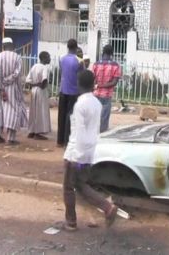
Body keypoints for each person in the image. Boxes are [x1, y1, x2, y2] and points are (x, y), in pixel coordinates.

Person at [62, 70, 119, 231]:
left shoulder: (80, 104)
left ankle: (71, 222)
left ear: (79, 84)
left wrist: (76, 158)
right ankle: (107, 208)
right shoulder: (97, 103)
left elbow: (79, 132)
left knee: (68, 188)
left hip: (76, 153)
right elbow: (93, 130)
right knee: (81, 186)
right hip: (89, 152)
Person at [0, 38, 27, 145]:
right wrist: (8, 81)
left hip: (0, 88)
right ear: (12, 46)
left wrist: (2, 84)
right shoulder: (17, 57)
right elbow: (17, 73)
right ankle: (10, 138)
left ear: (3, 46)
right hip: (13, 87)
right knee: (13, 111)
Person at [58, 39, 82, 147]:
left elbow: (61, 72)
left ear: (67, 47)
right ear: (76, 48)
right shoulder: (79, 60)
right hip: (74, 91)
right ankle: (67, 141)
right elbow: (81, 76)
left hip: (63, 89)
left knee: (61, 115)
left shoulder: (61, 58)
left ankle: (59, 140)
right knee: (71, 116)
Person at [92, 45, 121, 132]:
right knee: (104, 118)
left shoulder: (96, 64)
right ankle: (102, 136)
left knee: (94, 117)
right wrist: (103, 85)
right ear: (112, 53)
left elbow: (92, 79)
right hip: (107, 96)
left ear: (103, 52)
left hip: (96, 94)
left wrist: (98, 86)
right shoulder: (116, 66)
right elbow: (114, 82)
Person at [26, 51, 52, 140]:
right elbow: (44, 79)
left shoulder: (34, 66)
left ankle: (31, 131)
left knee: (33, 111)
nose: (50, 59)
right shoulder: (44, 67)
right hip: (41, 91)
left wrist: (35, 85)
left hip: (34, 90)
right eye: (48, 57)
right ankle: (37, 133)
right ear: (44, 58)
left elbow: (28, 80)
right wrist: (42, 85)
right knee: (40, 111)